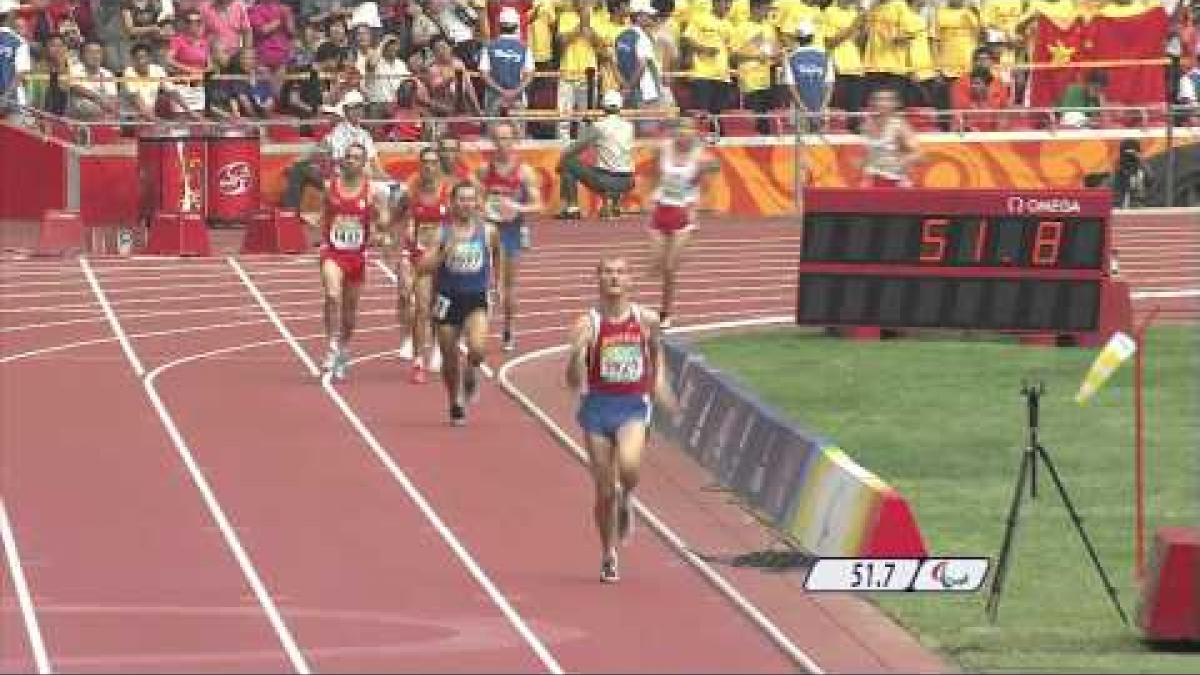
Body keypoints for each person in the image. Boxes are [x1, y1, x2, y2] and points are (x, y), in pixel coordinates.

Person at [565, 255, 678, 583]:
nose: (614, 278)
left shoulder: (646, 319)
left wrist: (658, 382)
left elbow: (657, 351)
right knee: (603, 492)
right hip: (597, 408)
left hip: (632, 405)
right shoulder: (587, 323)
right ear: (597, 278)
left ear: (630, 280)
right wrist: (576, 356)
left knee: (629, 469)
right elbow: (572, 381)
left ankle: (628, 499)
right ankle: (608, 553)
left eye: (620, 273)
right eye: (608, 273)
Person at [416, 180, 500, 426]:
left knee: (477, 349)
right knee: (449, 356)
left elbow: (497, 255)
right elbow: (422, 267)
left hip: (476, 298)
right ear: (452, 203)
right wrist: (443, 252)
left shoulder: (488, 231)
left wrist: (499, 285)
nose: (466, 204)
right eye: (461, 199)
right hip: (447, 300)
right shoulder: (441, 233)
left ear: (477, 203)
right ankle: (455, 400)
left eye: (470, 199)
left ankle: (472, 371)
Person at [319, 142, 392, 381]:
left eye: (356, 158)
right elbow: (320, 215)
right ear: (343, 161)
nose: (351, 161)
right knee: (332, 295)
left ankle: (343, 347)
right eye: (348, 157)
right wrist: (321, 237)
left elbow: (383, 220)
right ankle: (330, 345)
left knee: (350, 312)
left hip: (357, 256)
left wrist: (381, 231)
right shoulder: (330, 187)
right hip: (333, 253)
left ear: (363, 164)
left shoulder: (372, 192)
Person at [476, 119, 544, 352]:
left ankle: (508, 328)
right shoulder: (485, 170)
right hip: (488, 228)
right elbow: (475, 199)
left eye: (507, 138)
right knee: (481, 281)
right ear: (492, 141)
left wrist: (517, 208)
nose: (502, 144)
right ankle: (477, 325)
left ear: (514, 141)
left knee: (507, 287)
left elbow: (538, 205)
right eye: (498, 139)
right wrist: (482, 208)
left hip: (511, 231)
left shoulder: (525, 172)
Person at [646, 117, 720, 329]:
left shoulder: (700, 154)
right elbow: (654, 174)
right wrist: (651, 197)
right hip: (661, 209)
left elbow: (714, 170)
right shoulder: (662, 149)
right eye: (680, 132)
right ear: (675, 133)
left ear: (693, 134)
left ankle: (665, 312)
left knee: (670, 267)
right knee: (655, 265)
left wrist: (704, 174)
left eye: (688, 132)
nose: (683, 136)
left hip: (684, 214)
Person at [396, 145, 451, 384]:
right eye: (425, 162)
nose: (429, 167)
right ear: (420, 166)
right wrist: (384, 231)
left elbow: (466, 219)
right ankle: (418, 361)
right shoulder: (411, 193)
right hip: (420, 258)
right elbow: (395, 214)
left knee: (441, 308)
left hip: (445, 258)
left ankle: (438, 346)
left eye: (433, 162)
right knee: (421, 308)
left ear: (439, 166)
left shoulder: (450, 192)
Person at [556, 89, 635, 219]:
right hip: (628, 180)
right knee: (611, 164)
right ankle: (614, 204)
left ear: (603, 106)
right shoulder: (629, 126)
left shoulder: (599, 126)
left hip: (607, 180)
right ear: (620, 106)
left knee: (567, 162)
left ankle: (572, 208)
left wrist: (588, 129)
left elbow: (574, 149)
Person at [859, 87, 920, 188]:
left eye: (887, 100)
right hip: (871, 181)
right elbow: (867, 154)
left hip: (894, 181)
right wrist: (863, 170)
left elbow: (918, 153)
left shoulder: (900, 126)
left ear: (895, 104)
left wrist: (901, 164)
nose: (882, 103)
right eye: (879, 99)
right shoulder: (866, 125)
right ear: (872, 102)